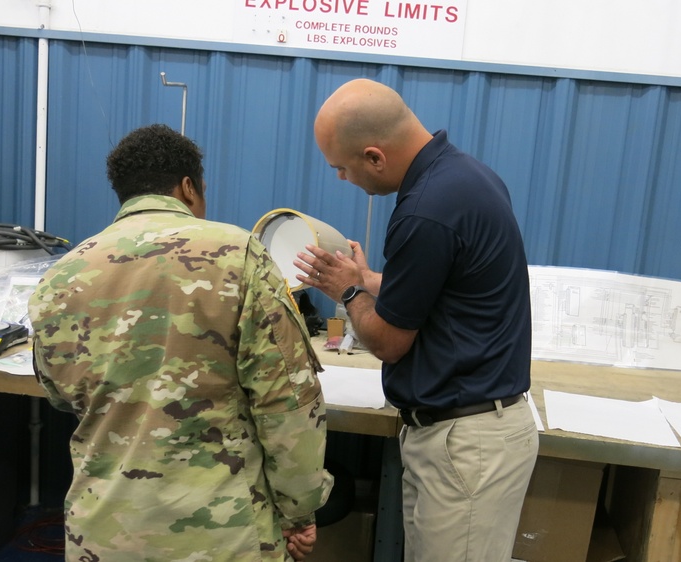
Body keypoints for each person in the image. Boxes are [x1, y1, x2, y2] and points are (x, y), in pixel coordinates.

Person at [28, 124, 332, 562]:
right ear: (189, 187)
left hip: (103, 533)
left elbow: (59, 393)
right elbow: (288, 402)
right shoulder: (239, 255)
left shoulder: (62, 275)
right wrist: (299, 511)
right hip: (222, 537)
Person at [295, 78, 540, 562]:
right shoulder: (467, 177)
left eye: (342, 168)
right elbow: (440, 289)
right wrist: (366, 279)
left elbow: (388, 342)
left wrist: (345, 291)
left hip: (466, 443)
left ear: (374, 157)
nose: (343, 179)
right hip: (465, 435)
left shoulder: (425, 210)